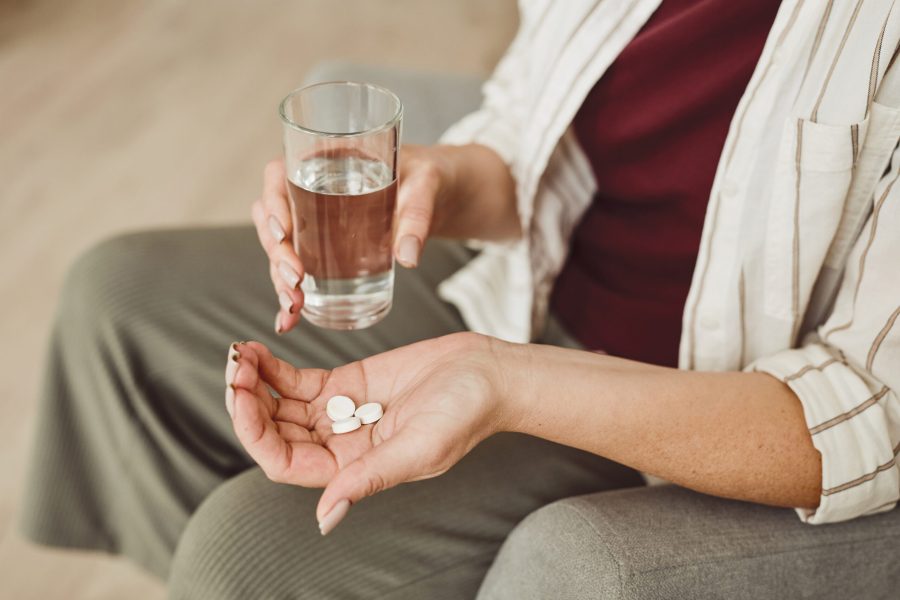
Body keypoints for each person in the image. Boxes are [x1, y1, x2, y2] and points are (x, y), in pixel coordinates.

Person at [21, 0, 900, 598]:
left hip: (688, 408)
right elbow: (526, 113)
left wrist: (502, 381)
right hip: (534, 285)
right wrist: (443, 180)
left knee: (246, 552)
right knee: (120, 297)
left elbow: (872, 409)